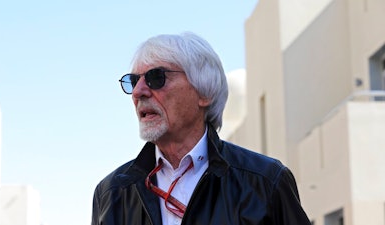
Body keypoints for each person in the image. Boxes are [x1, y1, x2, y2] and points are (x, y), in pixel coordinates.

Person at [91, 32, 311, 225]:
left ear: (204, 93)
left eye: (155, 78)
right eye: (133, 80)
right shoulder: (110, 194)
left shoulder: (266, 182)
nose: (139, 92)